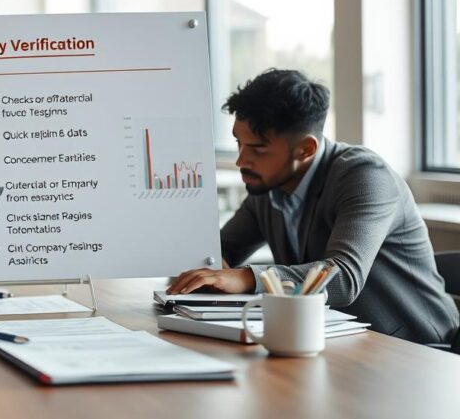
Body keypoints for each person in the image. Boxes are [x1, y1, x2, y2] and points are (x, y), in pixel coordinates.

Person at [168, 69, 458, 343]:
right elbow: (219, 251)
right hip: (336, 342)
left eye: (257, 149)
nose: (241, 160)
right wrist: (209, 267)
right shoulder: (267, 187)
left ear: (306, 149)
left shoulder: (365, 176)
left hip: (417, 347)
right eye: (238, 143)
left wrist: (245, 277)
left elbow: (343, 278)